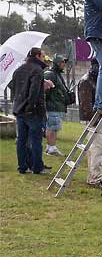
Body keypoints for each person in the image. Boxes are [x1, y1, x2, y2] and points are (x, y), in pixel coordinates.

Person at [10, 47, 54, 175]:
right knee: (36, 140)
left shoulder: (18, 70)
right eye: (43, 56)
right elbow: (34, 91)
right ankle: (37, 167)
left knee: (21, 140)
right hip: (33, 111)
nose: (44, 58)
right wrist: (31, 107)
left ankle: (22, 166)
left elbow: (14, 88)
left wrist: (19, 104)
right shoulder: (37, 70)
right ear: (37, 56)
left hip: (19, 109)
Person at [77, 59, 102, 187]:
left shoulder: (93, 80)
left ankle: (94, 176)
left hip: (95, 118)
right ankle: (95, 178)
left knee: (95, 149)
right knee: (97, 149)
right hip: (91, 120)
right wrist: (97, 115)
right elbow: (86, 106)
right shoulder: (87, 81)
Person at [43, 54, 71, 156]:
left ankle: (50, 147)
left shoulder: (56, 74)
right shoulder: (50, 74)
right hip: (53, 106)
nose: (64, 64)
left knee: (54, 127)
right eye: (62, 62)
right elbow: (45, 91)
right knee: (52, 127)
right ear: (57, 63)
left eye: (64, 62)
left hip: (57, 106)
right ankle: (51, 148)